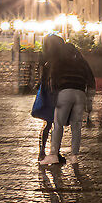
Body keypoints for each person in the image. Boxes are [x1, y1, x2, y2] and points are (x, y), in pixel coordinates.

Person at [36, 34, 96, 166]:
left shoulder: (58, 58)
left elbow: (53, 76)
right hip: (80, 92)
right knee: (76, 126)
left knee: (58, 125)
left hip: (64, 92)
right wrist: (89, 99)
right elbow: (91, 78)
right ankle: (74, 156)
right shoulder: (80, 60)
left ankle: (53, 154)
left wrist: (53, 95)